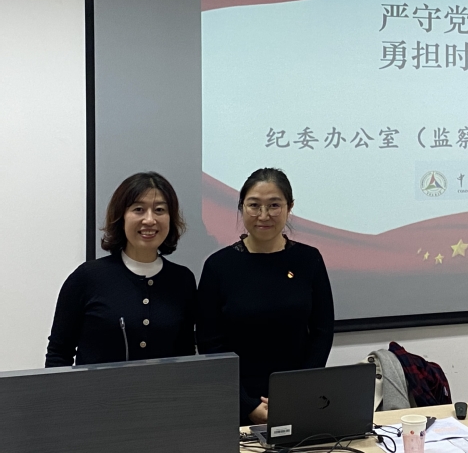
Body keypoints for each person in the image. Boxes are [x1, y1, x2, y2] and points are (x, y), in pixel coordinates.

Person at [196, 168, 334, 426]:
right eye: (254, 205)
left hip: (298, 398)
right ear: (241, 207)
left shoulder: (309, 260)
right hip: (235, 402)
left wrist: (299, 390)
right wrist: (247, 405)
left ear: (289, 207)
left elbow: (322, 332)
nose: (263, 215)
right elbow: (210, 344)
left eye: (274, 205)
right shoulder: (218, 266)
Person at [45, 172, 196, 367]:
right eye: (139, 209)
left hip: (164, 388)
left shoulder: (182, 280)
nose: (149, 220)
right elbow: (59, 354)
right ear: (121, 216)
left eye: (159, 210)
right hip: (98, 388)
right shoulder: (87, 277)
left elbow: (186, 355)